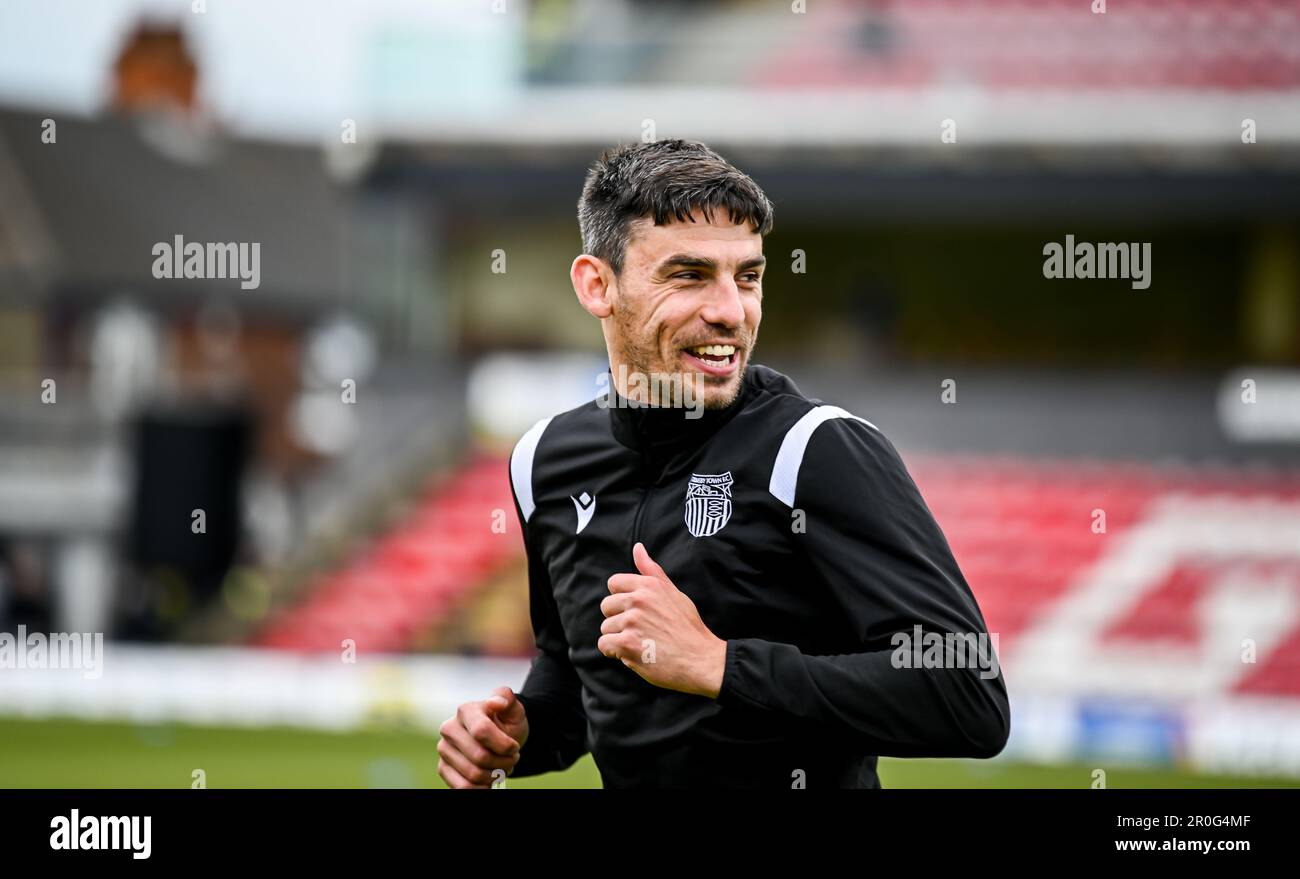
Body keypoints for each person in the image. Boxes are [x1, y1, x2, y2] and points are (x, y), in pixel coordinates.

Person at [437, 139, 1009, 788]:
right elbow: (574, 674)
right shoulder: (542, 462)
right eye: (690, 275)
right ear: (598, 285)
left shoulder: (814, 449)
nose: (731, 312)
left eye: (748, 276)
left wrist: (719, 663)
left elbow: (969, 695)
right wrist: (521, 734)